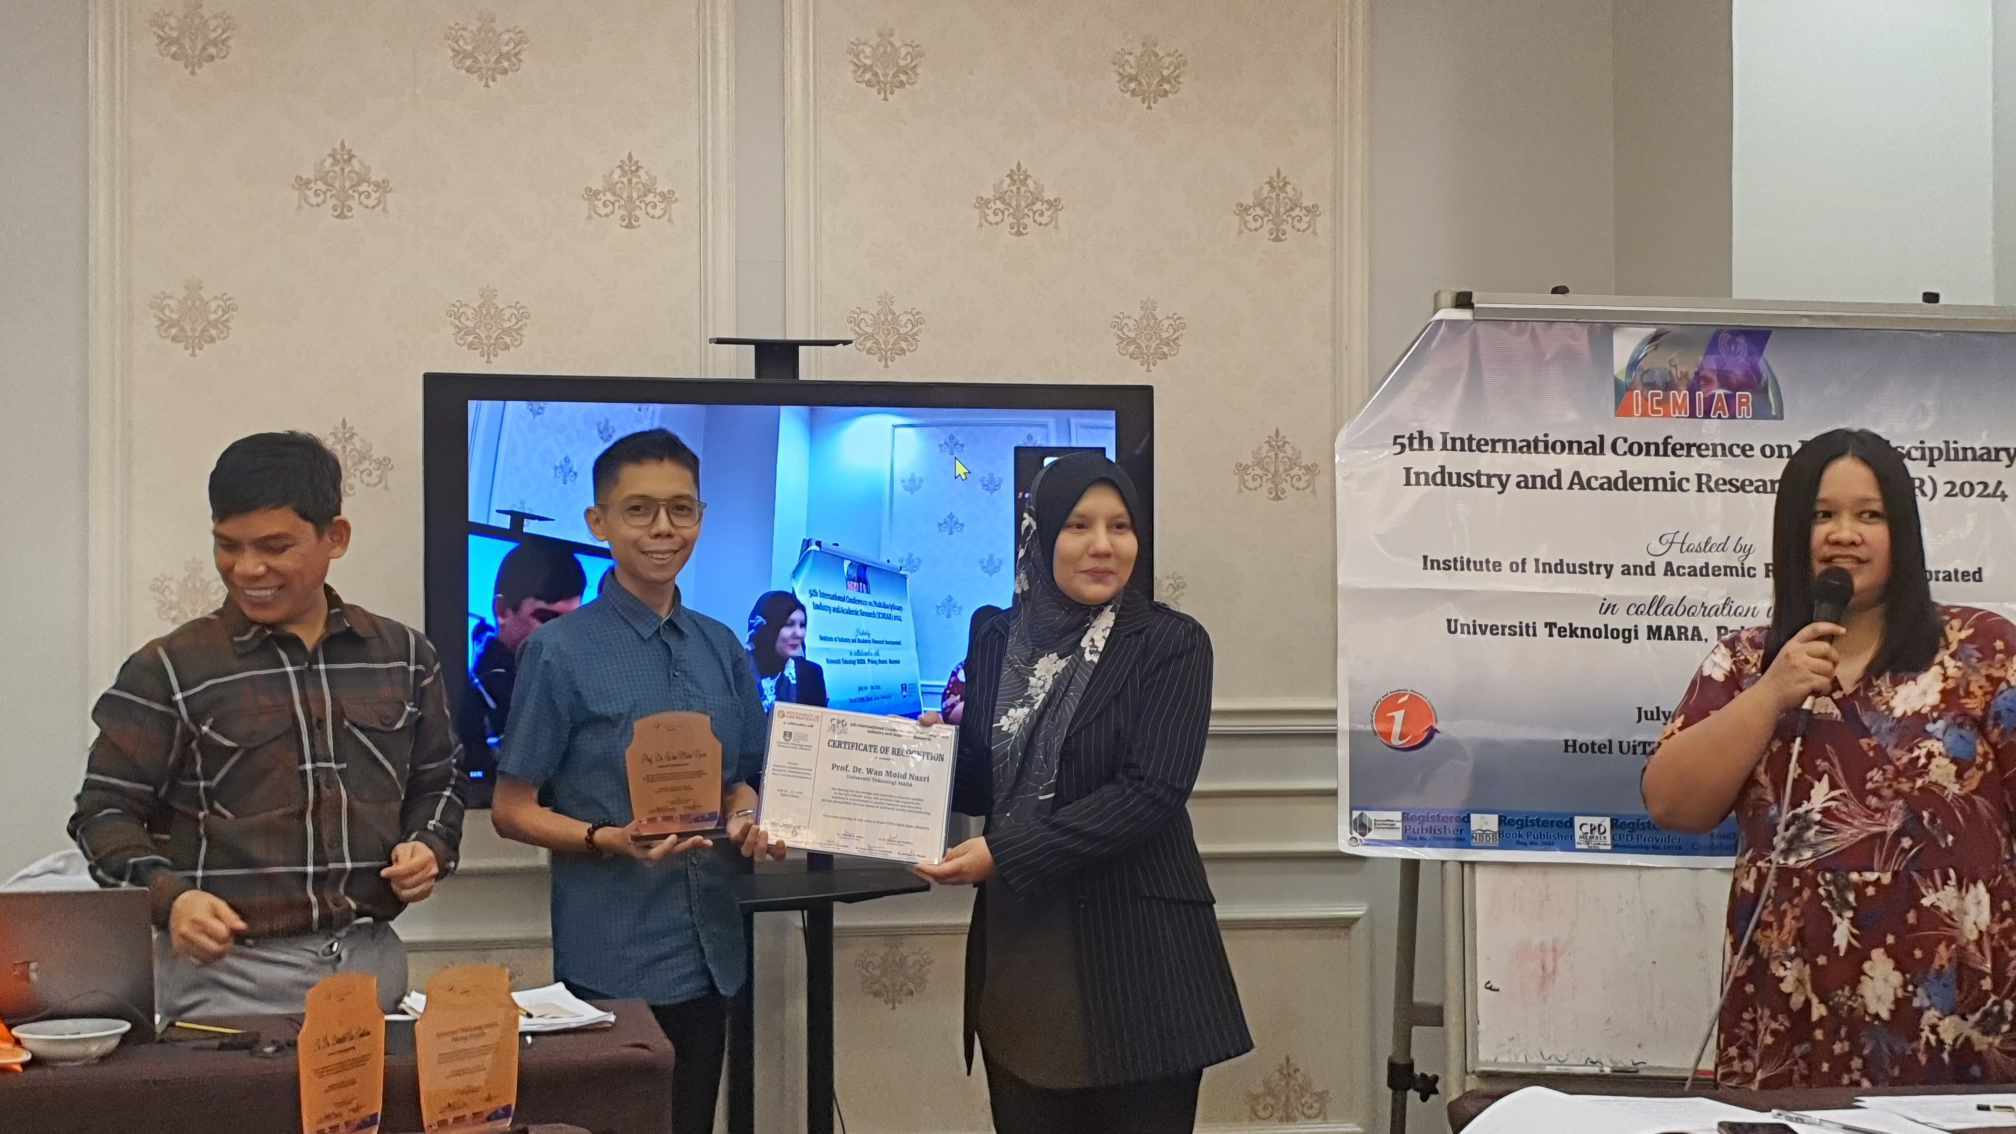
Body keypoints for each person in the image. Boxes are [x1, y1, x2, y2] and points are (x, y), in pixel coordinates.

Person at [1644, 428, 2016, 1088]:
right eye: (1823, 515)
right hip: (1794, 1010)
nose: (1845, 534)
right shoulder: (1746, 662)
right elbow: (1673, 805)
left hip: (1958, 1014)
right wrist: (1772, 693)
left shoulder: (1982, 651)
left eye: (1869, 515)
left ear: (1903, 532)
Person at [69, 432, 463, 1019]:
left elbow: (440, 781)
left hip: (371, 968)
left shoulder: (404, 656)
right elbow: (103, 813)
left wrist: (430, 844)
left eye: (275, 547)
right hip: (224, 981)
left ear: (336, 537)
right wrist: (171, 900)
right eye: (227, 546)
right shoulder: (170, 668)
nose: (248, 569)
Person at [915, 452, 1250, 1132]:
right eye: (1078, 525)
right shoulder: (995, 635)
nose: (1103, 545)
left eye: (1120, 526)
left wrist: (1003, 854)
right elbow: (985, 783)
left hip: (1141, 958)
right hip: (1022, 948)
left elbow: (1150, 793)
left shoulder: (1171, 642)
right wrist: (926, 759)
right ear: (1038, 535)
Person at [489, 428, 787, 1134]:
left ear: (700, 518)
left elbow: (740, 781)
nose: (663, 528)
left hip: (713, 951)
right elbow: (511, 808)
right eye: (639, 510)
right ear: (599, 522)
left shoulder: (721, 645)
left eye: (681, 509)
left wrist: (746, 816)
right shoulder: (558, 651)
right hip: (613, 956)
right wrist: (607, 838)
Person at [458, 537, 587, 784]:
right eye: (547, 619)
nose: (563, 635)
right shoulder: (471, 695)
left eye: (572, 622)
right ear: (502, 610)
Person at [745, 590, 828, 711]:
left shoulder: (812, 674)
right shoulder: (739, 671)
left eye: (802, 625)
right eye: (789, 624)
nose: (799, 633)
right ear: (766, 628)